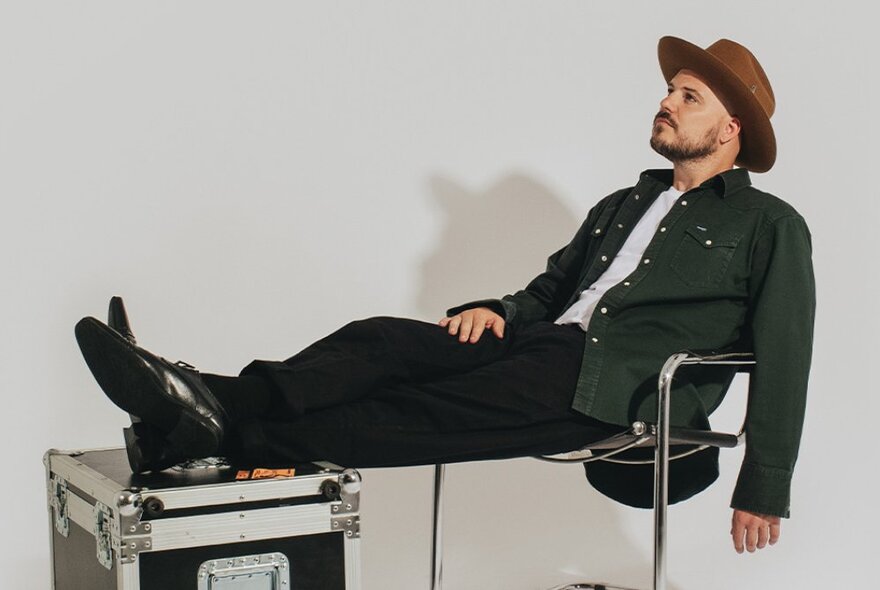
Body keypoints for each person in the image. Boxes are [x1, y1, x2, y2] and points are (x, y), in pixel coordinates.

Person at [74, 36, 815, 555]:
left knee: (416, 413)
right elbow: (552, 288)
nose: (666, 101)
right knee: (383, 341)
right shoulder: (627, 201)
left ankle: (189, 413)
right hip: (541, 342)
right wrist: (499, 311)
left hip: (614, 386)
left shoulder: (768, 225)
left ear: (730, 128)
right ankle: (198, 405)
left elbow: (787, 354)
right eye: (668, 90)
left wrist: (765, 484)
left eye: (687, 96)